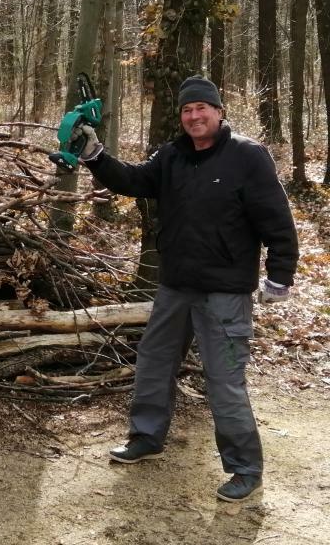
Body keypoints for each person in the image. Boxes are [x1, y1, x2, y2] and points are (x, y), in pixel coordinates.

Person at [76, 75, 299, 502]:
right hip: (175, 286)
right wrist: (95, 156)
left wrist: (280, 275)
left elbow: (276, 219)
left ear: (218, 111)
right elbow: (135, 181)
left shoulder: (247, 157)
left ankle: (244, 468)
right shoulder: (173, 155)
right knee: (154, 362)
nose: (194, 116)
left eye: (202, 108)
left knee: (224, 380)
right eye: (187, 110)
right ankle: (145, 437)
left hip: (225, 293)